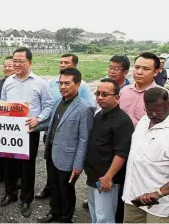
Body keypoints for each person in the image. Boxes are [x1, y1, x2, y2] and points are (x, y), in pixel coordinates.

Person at [0, 47, 55, 218]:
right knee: (9, 165)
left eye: (20, 61)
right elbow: (3, 103)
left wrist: (38, 119)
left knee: (27, 167)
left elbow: (49, 105)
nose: (16, 64)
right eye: (14, 61)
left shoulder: (40, 83)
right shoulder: (8, 82)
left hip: (30, 131)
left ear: (29, 62)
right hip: (10, 131)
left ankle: (26, 199)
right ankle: (10, 193)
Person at [37, 68, 94, 223]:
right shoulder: (58, 102)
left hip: (68, 159)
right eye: (60, 83)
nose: (62, 87)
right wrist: (32, 126)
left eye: (67, 83)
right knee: (54, 186)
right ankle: (54, 211)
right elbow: (51, 124)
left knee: (66, 190)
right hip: (52, 153)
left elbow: (84, 139)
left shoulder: (85, 108)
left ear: (78, 84)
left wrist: (78, 165)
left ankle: (66, 218)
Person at [84, 78, 134, 223]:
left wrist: (108, 177)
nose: (100, 97)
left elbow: (121, 153)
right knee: (94, 211)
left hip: (106, 178)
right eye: (98, 93)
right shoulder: (99, 115)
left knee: (104, 216)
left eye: (105, 94)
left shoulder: (122, 121)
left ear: (117, 98)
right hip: (93, 175)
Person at [122, 87, 169, 223]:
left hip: (160, 204)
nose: (153, 114)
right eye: (149, 110)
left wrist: (158, 193)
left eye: (159, 111)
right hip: (133, 197)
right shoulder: (143, 121)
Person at [120, 52, 160, 127]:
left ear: (155, 72)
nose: (139, 72)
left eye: (146, 69)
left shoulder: (162, 95)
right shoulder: (123, 91)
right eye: (137, 67)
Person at [0, 56, 14, 184]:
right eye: (4, 66)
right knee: (0, 151)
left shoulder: (17, 84)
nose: (6, 68)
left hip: (14, 123)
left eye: (9, 66)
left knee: (15, 153)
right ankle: (2, 173)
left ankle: (16, 177)